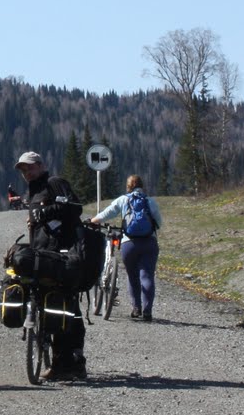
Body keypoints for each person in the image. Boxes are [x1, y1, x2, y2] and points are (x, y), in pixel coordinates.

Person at [15, 150, 88, 380]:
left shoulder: (55, 183)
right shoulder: (34, 190)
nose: (27, 172)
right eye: (23, 170)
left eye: (30, 167)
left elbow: (74, 207)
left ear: (41, 166)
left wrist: (42, 214)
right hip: (44, 256)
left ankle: (69, 362)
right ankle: (63, 361)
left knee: (64, 307)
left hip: (63, 256)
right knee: (50, 305)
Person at [92, 174, 163, 321]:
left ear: (128, 187)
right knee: (147, 276)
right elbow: (159, 223)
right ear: (142, 186)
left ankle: (136, 308)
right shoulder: (150, 201)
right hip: (149, 243)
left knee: (133, 276)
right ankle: (147, 311)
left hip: (129, 244)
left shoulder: (123, 200)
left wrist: (93, 220)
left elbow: (107, 213)